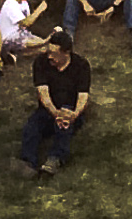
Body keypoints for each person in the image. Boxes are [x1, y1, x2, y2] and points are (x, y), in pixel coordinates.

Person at [18, 36, 93, 175]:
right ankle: (28, 161)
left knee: (64, 126)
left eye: (54, 53)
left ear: (66, 52)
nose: (49, 57)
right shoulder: (41, 63)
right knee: (32, 127)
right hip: (48, 108)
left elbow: (83, 95)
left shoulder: (81, 65)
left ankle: (55, 159)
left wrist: (74, 114)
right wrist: (55, 112)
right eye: (48, 52)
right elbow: (43, 93)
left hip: (70, 109)